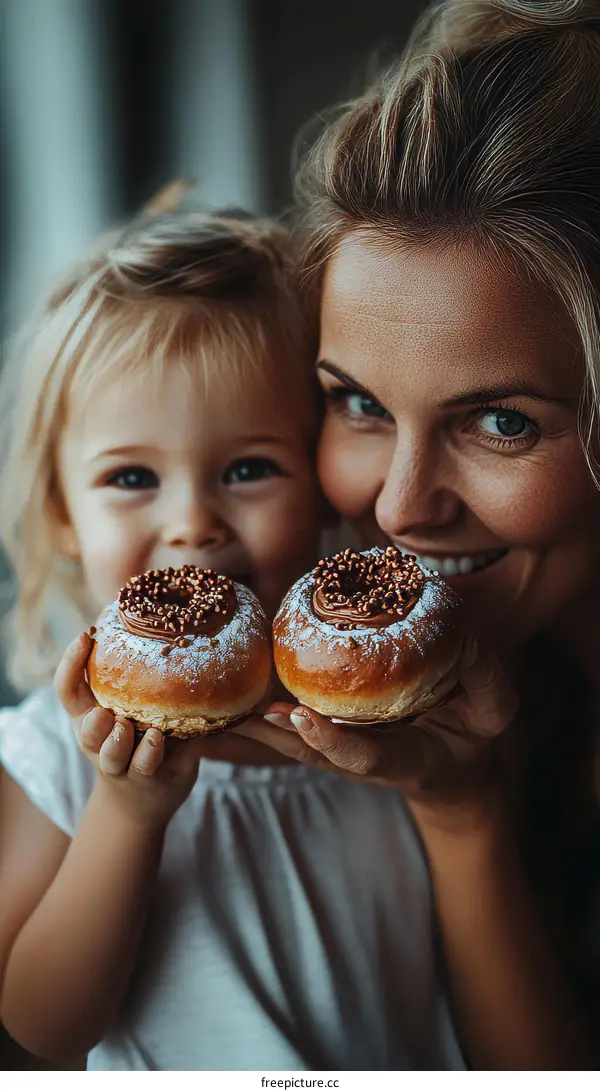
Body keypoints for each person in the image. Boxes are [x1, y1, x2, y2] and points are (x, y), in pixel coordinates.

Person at [0, 206, 466, 1070]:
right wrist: (128, 812)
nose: (192, 523)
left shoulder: (402, 737)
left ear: (324, 483)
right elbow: (39, 1026)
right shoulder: (49, 757)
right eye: (131, 477)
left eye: (249, 468)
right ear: (65, 515)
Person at [237, 0, 600, 1071]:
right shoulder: (432, 692)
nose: (397, 505)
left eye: (502, 421)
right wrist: (459, 807)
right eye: (357, 403)